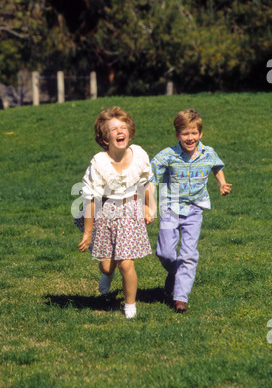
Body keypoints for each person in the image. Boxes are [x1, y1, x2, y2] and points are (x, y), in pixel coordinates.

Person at [75, 106, 154, 319]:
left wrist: (149, 206)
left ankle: (130, 307)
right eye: (113, 129)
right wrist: (88, 233)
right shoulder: (99, 163)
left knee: (126, 262)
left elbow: (147, 182)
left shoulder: (139, 154)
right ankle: (107, 276)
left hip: (130, 212)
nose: (120, 131)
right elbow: (90, 199)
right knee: (107, 265)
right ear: (104, 137)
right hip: (104, 212)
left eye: (123, 127)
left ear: (129, 131)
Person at [150, 109, 232, 313]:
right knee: (165, 253)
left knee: (188, 255)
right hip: (170, 208)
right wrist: (148, 204)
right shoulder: (168, 155)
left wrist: (221, 183)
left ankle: (180, 298)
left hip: (195, 209)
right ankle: (175, 272)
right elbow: (150, 178)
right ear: (177, 135)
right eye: (185, 133)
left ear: (200, 134)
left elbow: (217, 166)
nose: (190, 138)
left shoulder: (208, 153)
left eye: (194, 133)